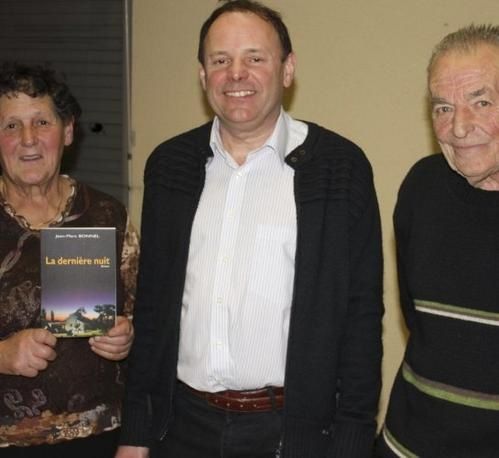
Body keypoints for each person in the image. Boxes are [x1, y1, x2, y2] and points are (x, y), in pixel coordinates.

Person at [117, 1, 383, 457]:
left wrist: (351, 442)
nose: (236, 74)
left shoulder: (340, 167)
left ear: (287, 69)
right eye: (220, 60)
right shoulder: (169, 165)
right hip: (180, 428)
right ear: (203, 75)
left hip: (290, 432)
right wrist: (136, 432)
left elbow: (361, 317)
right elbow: (154, 305)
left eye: (255, 58)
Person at [0, 62, 139, 457]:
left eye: (42, 122)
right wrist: (2, 355)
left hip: (100, 438)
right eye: (11, 125)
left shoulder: (107, 215)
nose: (28, 139)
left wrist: (128, 335)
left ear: (68, 131)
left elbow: (146, 316)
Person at [377, 24, 499, 457]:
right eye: (443, 107)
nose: (459, 128)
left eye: (481, 102)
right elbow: (420, 320)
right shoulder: (421, 188)